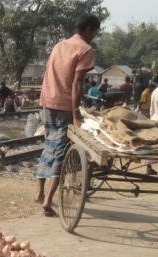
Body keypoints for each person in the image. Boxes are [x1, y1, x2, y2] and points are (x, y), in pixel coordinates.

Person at [37, 14, 101, 217]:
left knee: (49, 146)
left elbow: (49, 74)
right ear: (90, 29)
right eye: (95, 32)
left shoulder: (59, 45)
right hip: (65, 106)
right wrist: (76, 115)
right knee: (61, 154)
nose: (94, 36)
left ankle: (39, 192)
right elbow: (76, 83)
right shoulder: (86, 49)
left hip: (47, 102)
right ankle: (47, 201)